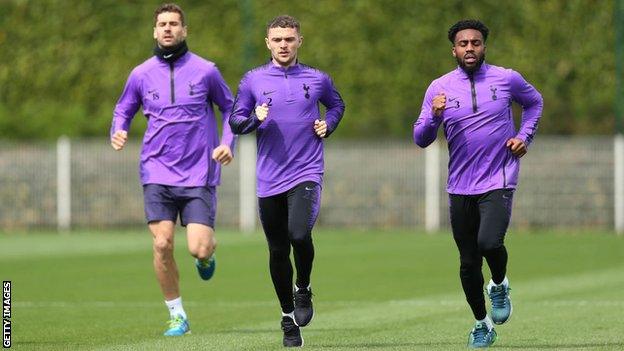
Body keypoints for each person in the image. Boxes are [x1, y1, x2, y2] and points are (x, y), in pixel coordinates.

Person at [413, 19, 543, 348]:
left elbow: (534, 102)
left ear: (484, 46)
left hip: (499, 177)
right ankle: (482, 324)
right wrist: (434, 115)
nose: (469, 48)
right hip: (459, 186)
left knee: (489, 242)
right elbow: (421, 138)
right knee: (468, 262)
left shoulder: (507, 78)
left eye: (475, 43)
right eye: (463, 44)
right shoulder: (438, 88)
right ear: (454, 50)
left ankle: (499, 283)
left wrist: (523, 136)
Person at [110, 3, 236, 337]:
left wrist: (227, 143)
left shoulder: (206, 70)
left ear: (184, 30)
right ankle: (177, 315)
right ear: (154, 31)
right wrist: (118, 129)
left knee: (199, 247)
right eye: (162, 24)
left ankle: (206, 257)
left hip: (199, 174)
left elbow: (230, 109)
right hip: (156, 171)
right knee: (162, 243)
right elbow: (123, 108)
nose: (168, 28)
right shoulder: (140, 74)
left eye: (174, 24)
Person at [229, 15, 345, 348]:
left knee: (299, 233)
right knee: (278, 249)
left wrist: (329, 123)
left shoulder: (317, 78)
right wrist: (254, 118)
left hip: (306, 171)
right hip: (269, 178)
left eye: (289, 39)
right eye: (277, 39)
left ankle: (304, 288)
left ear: (299, 42)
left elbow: (337, 104)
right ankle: (287, 318)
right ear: (268, 43)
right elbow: (236, 121)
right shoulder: (252, 80)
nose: (283, 45)